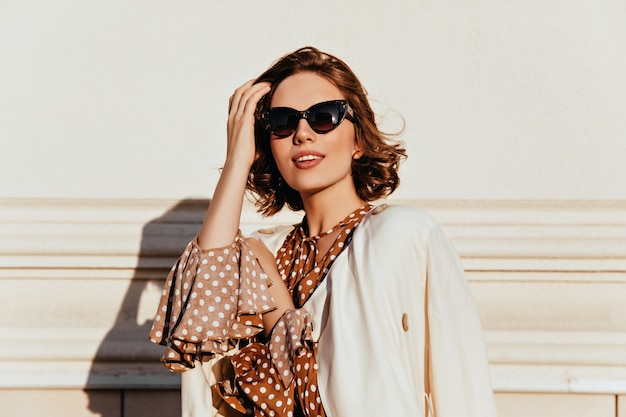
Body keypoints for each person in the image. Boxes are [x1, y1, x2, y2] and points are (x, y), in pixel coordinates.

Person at [150, 46, 498, 417]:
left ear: (359, 140)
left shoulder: (400, 235)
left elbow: (460, 381)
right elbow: (200, 322)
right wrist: (237, 159)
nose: (302, 133)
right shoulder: (259, 252)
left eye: (323, 117)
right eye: (282, 122)